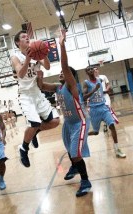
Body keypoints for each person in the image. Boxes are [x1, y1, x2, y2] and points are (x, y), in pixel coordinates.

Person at [37, 29, 92, 197]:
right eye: (61, 73)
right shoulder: (58, 87)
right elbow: (41, 86)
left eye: (65, 73)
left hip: (80, 122)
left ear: (71, 77)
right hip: (68, 124)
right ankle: (75, 166)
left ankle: (85, 181)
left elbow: (64, 66)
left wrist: (61, 45)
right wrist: (38, 69)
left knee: (75, 153)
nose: (61, 73)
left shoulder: (71, 86)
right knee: (70, 149)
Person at [11, 30, 60, 167]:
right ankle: (24, 148)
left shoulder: (36, 53)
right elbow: (20, 74)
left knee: (55, 121)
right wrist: (28, 58)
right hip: (25, 95)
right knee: (34, 123)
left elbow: (48, 66)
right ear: (17, 42)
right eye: (23, 37)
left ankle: (35, 132)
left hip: (37, 93)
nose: (27, 38)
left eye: (28, 36)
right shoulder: (15, 57)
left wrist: (44, 53)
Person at [83, 66, 126, 158]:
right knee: (96, 132)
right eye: (89, 70)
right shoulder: (86, 83)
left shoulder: (100, 80)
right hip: (94, 110)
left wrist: (107, 90)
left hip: (103, 107)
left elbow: (101, 91)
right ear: (87, 73)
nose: (91, 70)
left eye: (92, 69)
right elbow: (84, 97)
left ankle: (117, 149)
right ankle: (84, 135)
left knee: (112, 126)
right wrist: (94, 89)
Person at [94, 67, 115, 132]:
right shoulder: (91, 79)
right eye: (94, 70)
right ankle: (105, 124)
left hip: (105, 96)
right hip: (98, 97)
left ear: (98, 70)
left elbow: (108, 84)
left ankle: (110, 123)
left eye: (96, 69)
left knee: (107, 109)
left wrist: (107, 89)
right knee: (102, 112)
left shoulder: (103, 76)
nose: (95, 71)